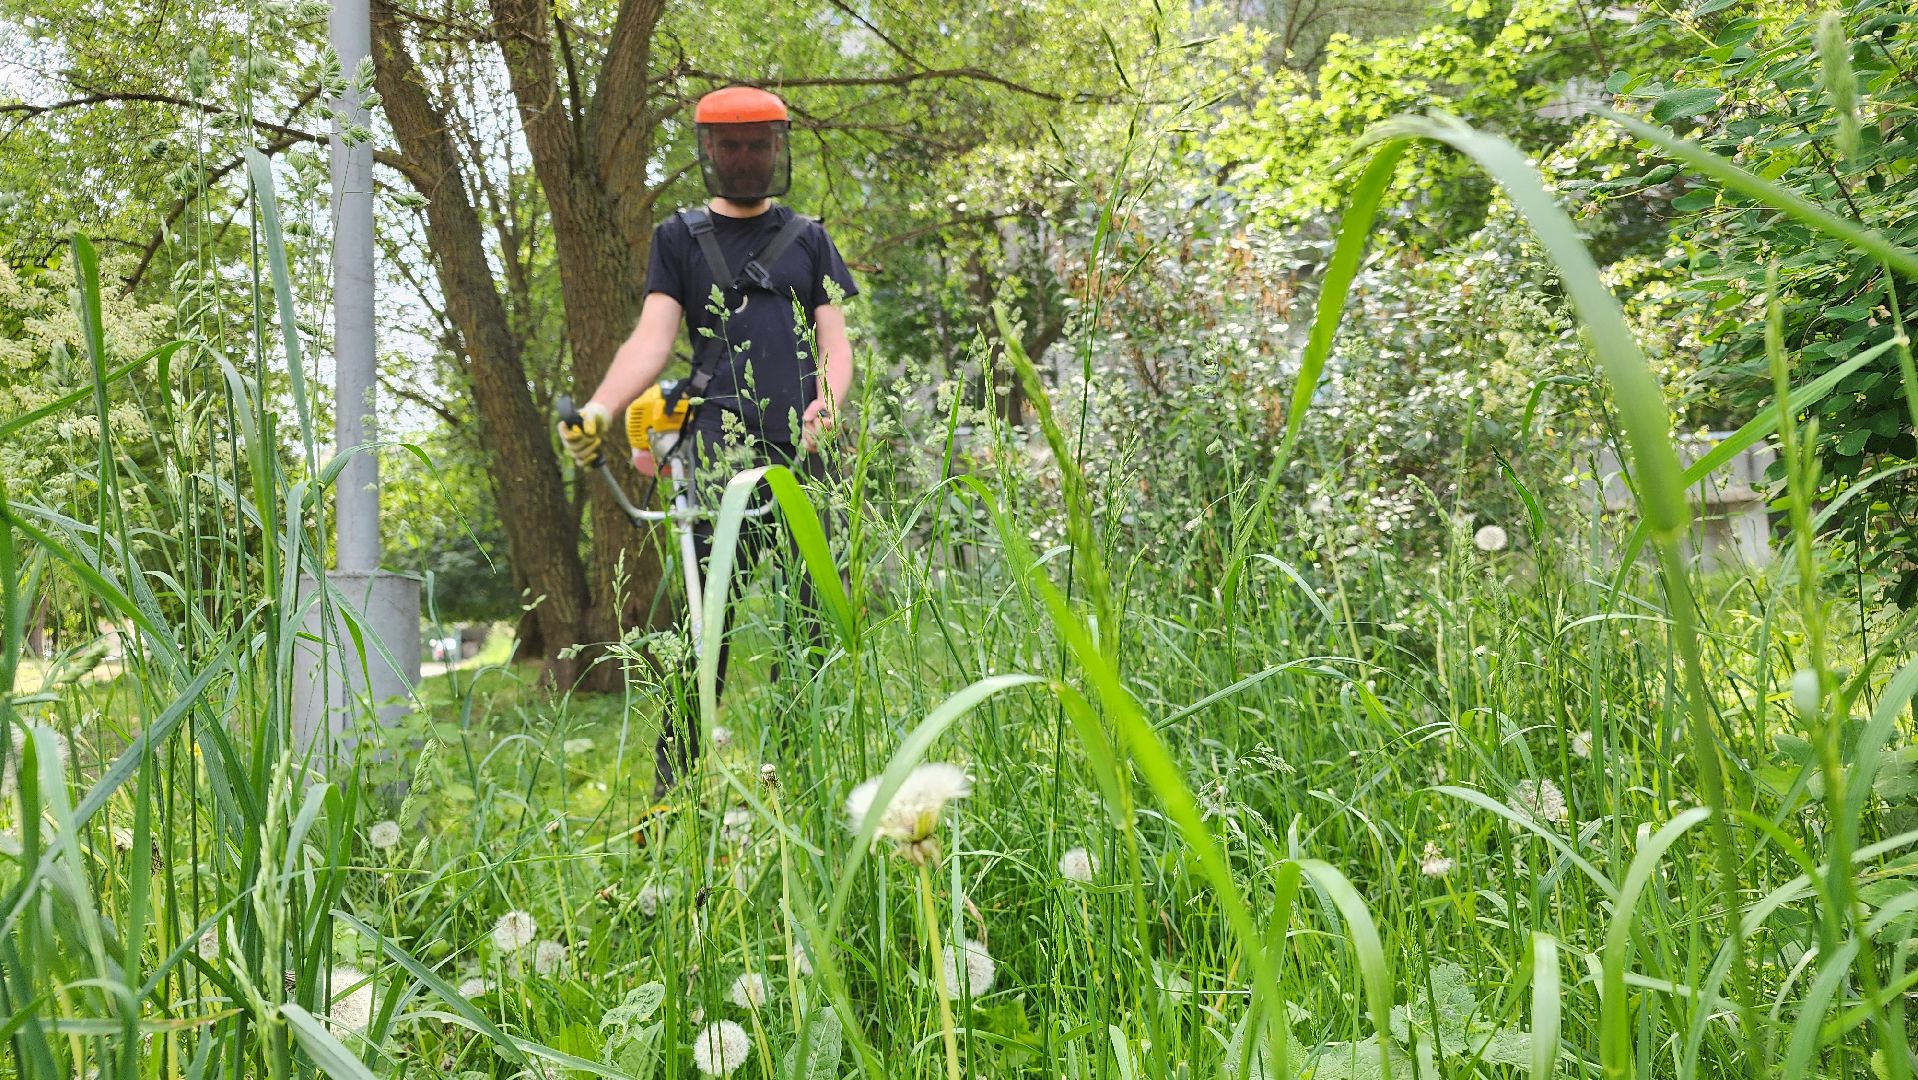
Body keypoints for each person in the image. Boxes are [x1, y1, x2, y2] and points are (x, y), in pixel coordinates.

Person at [557, 85, 857, 796]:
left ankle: (799, 779)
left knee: (813, 622)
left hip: (806, 454)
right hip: (717, 458)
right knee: (704, 628)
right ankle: (675, 794)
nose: (745, 156)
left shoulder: (809, 238)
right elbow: (652, 340)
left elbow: (836, 342)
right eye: (731, 144)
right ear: (710, 152)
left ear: (776, 149)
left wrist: (828, 404)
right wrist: (600, 409)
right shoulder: (679, 239)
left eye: (758, 144)